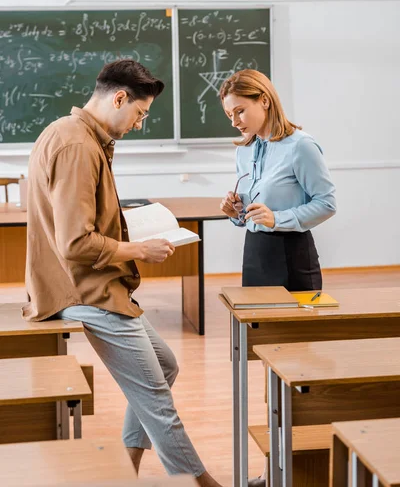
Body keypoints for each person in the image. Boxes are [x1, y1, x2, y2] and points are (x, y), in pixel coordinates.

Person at [23, 59, 223, 487]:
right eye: (140, 113)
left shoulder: (75, 135)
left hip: (95, 286)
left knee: (164, 366)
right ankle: (204, 484)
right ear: (119, 98)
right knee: (155, 397)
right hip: (83, 292)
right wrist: (139, 249)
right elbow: (75, 243)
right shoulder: (77, 145)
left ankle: (125, 471)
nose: (139, 123)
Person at [219, 69, 336, 486]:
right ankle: (275, 472)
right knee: (269, 365)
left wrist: (279, 217)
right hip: (257, 260)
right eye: (230, 114)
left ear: (264, 100)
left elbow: (327, 203)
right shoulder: (246, 150)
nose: (235, 121)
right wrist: (237, 211)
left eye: (240, 111)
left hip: (295, 261)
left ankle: (298, 470)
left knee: (299, 367)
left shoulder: (301, 146)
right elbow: (254, 214)